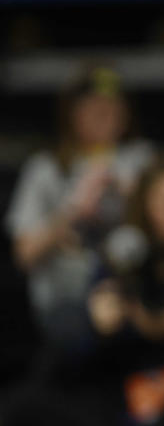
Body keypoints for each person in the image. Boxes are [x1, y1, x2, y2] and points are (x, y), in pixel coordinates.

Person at [1, 151, 164, 426]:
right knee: (24, 402)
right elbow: (71, 361)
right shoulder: (124, 255)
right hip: (124, 393)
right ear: (146, 206)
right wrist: (99, 329)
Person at [5, 65, 154, 351]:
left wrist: (134, 195)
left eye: (113, 106)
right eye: (94, 108)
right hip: (69, 297)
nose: (105, 115)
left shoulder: (145, 160)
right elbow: (24, 255)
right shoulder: (46, 167)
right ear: (72, 114)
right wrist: (74, 210)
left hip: (135, 289)